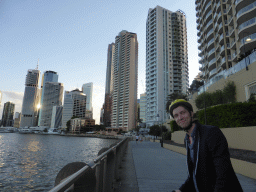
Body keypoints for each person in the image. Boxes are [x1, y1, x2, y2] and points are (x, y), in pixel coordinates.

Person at [170, 99, 243, 192]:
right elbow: (194, 175)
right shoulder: (187, 140)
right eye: (176, 115)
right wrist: (181, 190)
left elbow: (223, 173)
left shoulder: (211, 133)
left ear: (191, 113)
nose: (180, 117)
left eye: (183, 112)